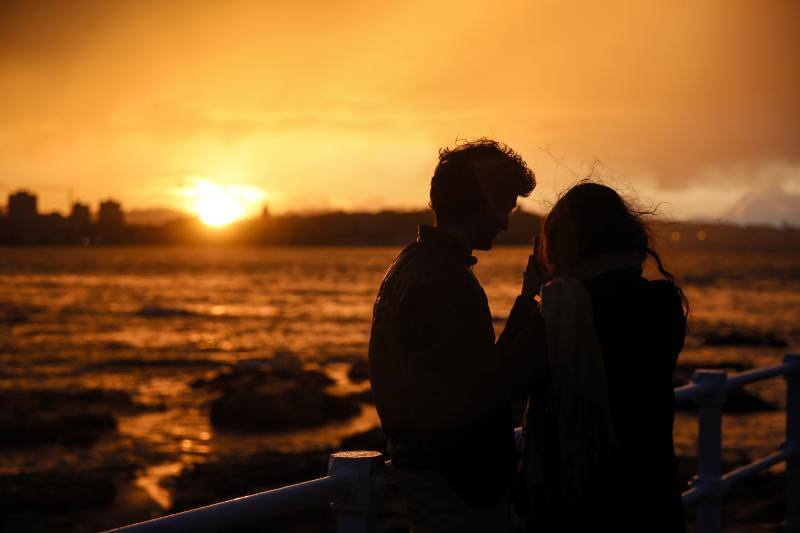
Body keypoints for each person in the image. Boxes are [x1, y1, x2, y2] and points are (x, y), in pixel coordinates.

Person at [368, 139, 548, 532]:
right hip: (458, 483)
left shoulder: (410, 264)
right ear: (482, 203)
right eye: (505, 208)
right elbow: (489, 386)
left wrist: (527, 296)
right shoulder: (447, 281)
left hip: (428, 472)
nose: (505, 222)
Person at [515, 181, 689, 532]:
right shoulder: (664, 304)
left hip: (579, 507)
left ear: (562, 245)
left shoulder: (559, 314)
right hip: (651, 498)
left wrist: (530, 297)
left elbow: (510, 380)